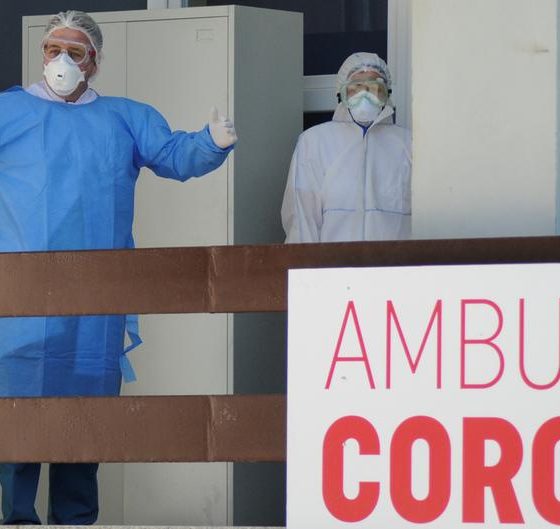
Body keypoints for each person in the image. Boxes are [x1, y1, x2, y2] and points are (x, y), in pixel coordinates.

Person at [0, 10, 237, 526]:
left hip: (95, 306)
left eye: (75, 52)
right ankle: (15, 522)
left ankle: (75, 521)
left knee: (85, 427)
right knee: (16, 429)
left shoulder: (124, 118)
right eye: (53, 49)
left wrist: (211, 142)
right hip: (22, 304)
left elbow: (173, 155)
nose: (62, 61)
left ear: (95, 62)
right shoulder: (8, 112)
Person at [281, 52, 411, 243]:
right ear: (341, 93)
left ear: (386, 94)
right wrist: (305, 260)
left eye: (374, 88)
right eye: (356, 88)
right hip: (332, 260)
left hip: (395, 261)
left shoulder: (407, 144)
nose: (365, 96)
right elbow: (302, 219)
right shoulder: (315, 142)